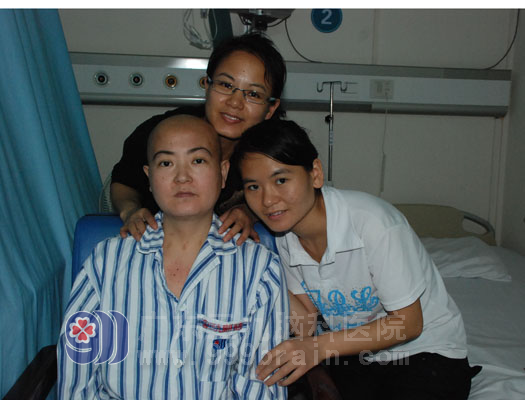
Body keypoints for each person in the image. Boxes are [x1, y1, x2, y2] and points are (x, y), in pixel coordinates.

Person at [232, 118, 480, 400]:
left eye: (281, 180)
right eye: (254, 187)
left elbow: (408, 324)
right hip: (360, 356)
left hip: (425, 352)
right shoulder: (284, 236)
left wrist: (318, 348)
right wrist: (260, 269)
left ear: (315, 174)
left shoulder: (374, 223)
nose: (267, 200)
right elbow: (306, 324)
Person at [58, 115, 289, 399]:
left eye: (198, 161)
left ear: (223, 172)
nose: (182, 177)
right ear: (149, 177)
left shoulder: (259, 269)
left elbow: (262, 384)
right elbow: (78, 372)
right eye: (166, 163)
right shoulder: (106, 262)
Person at [110, 32, 285, 244]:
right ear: (207, 85)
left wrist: (250, 212)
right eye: (226, 85)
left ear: (270, 108)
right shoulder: (162, 133)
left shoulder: (273, 155)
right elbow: (124, 181)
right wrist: (130, 210)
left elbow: (290, 195)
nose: (235, 103)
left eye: (254, 94)